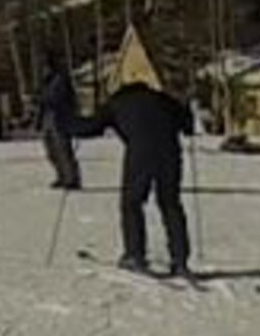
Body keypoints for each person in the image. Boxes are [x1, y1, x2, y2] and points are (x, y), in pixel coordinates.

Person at [70, 79, 195, 277]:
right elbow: (188, 126)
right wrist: (186, 107)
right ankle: (180, 260)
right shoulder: (163, 99)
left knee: (132, 202)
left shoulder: (117, 102)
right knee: (170, 203)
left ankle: (135, 255)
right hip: (170, 152)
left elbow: (92, 127)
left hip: (140, 153)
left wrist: (69, 125)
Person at [38, 55, 81, 190]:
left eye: (45, 67)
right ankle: (61, 175)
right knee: (51, 149)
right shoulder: (46, 81)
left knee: (63, 149)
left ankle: (72, 178)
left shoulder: (60, 79)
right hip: (48, 117)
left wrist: (43, 98)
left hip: (60, 117)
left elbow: (57, 98)